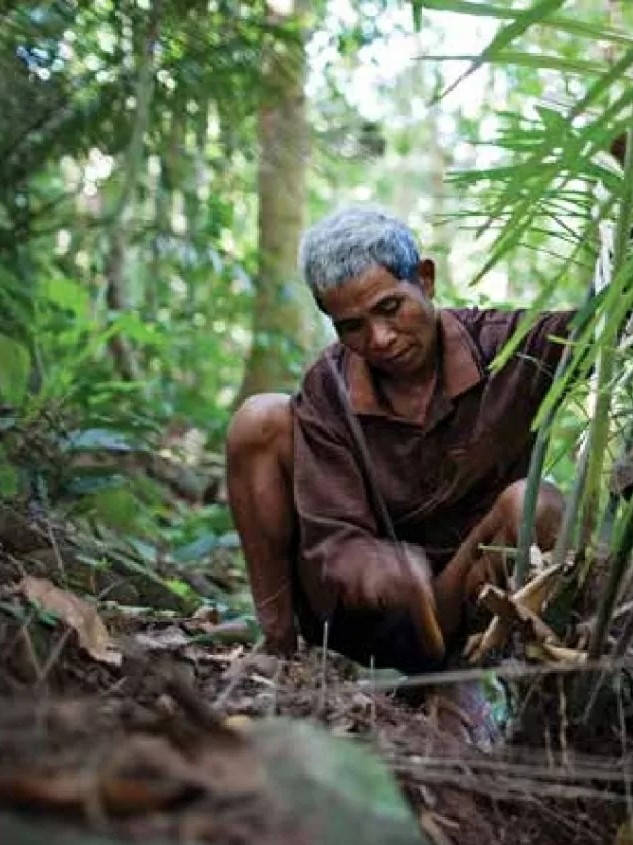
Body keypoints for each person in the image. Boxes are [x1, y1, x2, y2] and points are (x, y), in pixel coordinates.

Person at [224, 206, 572, 678]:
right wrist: (380, 568)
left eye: (390, 308)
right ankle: (278, 649)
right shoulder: (330, 386)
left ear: (425, 280)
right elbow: (333, 541)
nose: (380, 339)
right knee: (258, 418)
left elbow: (618, 314)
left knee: (536, 502)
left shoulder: (508, 348)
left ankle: (529, 682)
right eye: (352, 326)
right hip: (362, 622)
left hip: (471, 607)